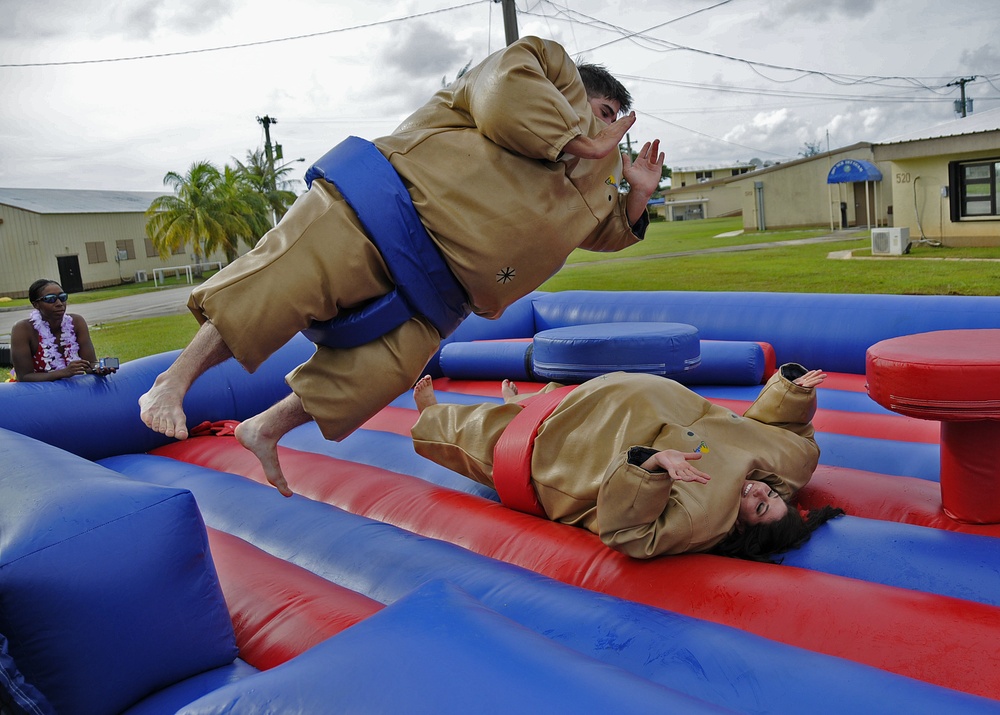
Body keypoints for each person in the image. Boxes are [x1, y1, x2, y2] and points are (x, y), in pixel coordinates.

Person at [138, 36, 665, 497]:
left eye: (618, 117)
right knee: (276, 287)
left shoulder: (594, 194)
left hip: (438, 295)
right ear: (571, 89)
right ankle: (172, 381)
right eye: (605, 108)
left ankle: (265, 428)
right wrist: (581, 140)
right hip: (380, 213)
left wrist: (637, 195)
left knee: (372, 376)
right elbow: (505, 94)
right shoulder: (536, 66)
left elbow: (608, 234)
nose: (613, 125)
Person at [410, 364, 844, 561]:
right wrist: (792, 392)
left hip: (576, 449)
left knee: (482, 435)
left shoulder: (701, 522)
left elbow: (630, 533)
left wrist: (651, 467)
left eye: (760, 507)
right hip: (615, 398)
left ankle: (430, 416)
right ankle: (518, 401)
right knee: (551, 397)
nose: (758, 491)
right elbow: (790, 437)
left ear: (743, 531)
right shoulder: (779, 471)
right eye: (770, 494)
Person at [9, 279, 117, 382]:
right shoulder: (22, 329)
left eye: (62, 297)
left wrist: (100, 368)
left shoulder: (77, 322)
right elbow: (24, 377)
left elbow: (90, 364)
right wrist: (64, 372)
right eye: (50, 299)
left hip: (71, 391)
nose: (59, 303)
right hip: (39, 394)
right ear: (35, 304)